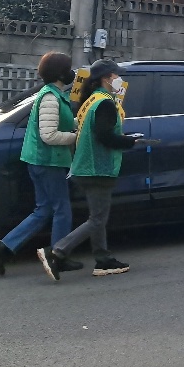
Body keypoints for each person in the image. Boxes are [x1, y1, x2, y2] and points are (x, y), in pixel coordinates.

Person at [37, 59, 140, 280]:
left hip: (84, 167)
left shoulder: (91, 100)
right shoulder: (104, 103)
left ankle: (103, 259)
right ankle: (57, 251)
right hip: (98, 168)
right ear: (106, 78)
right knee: (97, 219)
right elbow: (104, 136)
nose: (119, 79)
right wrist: (129, 141)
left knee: (98, 216)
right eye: (116, 76)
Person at [0, 52, 83, 277]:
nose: (72, 74)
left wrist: (80, 121)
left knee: (44, 210)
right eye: (68, 69)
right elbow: (49, 135)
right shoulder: (50, 97)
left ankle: (1, 248)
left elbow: (59, 122)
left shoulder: (53, 95)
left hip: (40, 161)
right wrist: (76, 136)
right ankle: (58, 255)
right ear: (60, 73)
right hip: (48, 161)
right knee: (62, 210)